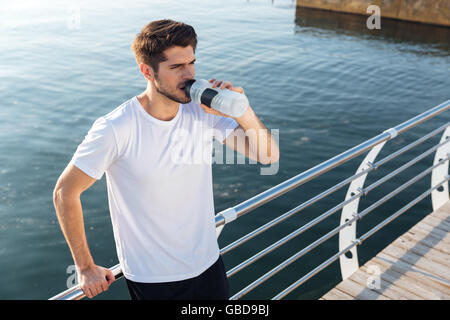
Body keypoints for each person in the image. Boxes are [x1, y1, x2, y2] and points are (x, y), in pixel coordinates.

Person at [53, 19, 279, 300]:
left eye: (191, 63)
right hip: (154, 279)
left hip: (208, 265)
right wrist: (85, 267)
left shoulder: (201, 111)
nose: (189, 75)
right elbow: (65, 192)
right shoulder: (117, 127)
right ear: (147, 71)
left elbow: (269, 155)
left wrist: (241, 110)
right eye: (176, 67)